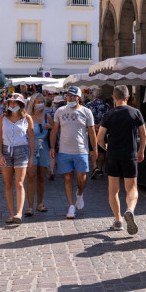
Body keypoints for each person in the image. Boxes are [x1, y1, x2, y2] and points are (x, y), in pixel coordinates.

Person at [97, 85, 146, 234]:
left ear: (113, 97)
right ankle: (129, 210)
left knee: (113, 191)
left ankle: (118, 220)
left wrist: (106, 147)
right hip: (129, 155)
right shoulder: (135, 112)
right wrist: (141, 150)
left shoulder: (108, 115)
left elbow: (99, 138)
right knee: (131, 188)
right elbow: (143, 135)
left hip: (112, 156)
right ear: (128, 97)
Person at [50, 85, 96, 220]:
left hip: (81, 151)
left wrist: (94, 150)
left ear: (78, 98)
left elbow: (92, 132)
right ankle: (71, 206)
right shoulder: (60, 111)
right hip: (64, 151)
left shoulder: (86, 112)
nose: (69, 98)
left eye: (72, 96)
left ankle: (79, 194)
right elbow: (54, 130)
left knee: (82, 179)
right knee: (67, 177)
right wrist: (52, 147)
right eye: (67, 96)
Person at [0, 93, 34, 224]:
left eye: (15, 102)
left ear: (21, 104)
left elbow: (31, 137)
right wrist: (0, 154)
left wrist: (31, 157)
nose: (12, 105)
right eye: (10, 102)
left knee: (19, 183)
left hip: (22, 150)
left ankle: (19, 213)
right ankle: (11, 214)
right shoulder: (2, 118)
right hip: (6, 150)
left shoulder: (27, 118)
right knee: (7, 183)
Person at [26, 93, 52, 215]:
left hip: (44, 148)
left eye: (42, 101)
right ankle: (30, 206)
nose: (40, 104)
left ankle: (39, 203)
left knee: (41, 177)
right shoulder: (27, 117)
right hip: (31, 148)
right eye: (37, 101)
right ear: (33, 103)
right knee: (31, 176)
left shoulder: (47, 116)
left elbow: (53, 132)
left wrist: (50, 127)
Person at [86, 88, 110, 180]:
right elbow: (108, 117)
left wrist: (94, 127)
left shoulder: (88, 104)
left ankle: (94, 167)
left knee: (92, 149)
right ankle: (100, 168)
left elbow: (86, 118)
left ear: (94, 95)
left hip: (92, 129)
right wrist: (100, 126)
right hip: (103, 130)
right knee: (101, 149)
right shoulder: (106, 105)